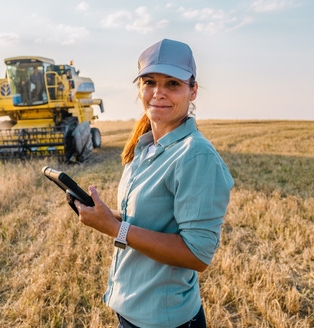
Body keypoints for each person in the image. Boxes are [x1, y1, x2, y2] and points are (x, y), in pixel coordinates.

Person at [73, 39, 234, 327]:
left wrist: (115, 228)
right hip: (132, 309)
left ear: (192, 90)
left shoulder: (196, 156)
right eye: (149, 82)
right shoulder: (145, 146)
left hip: (165, 320)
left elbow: (197, 254)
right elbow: (150, 222)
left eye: (172, 83)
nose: (158, 93)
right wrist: (109, 216)